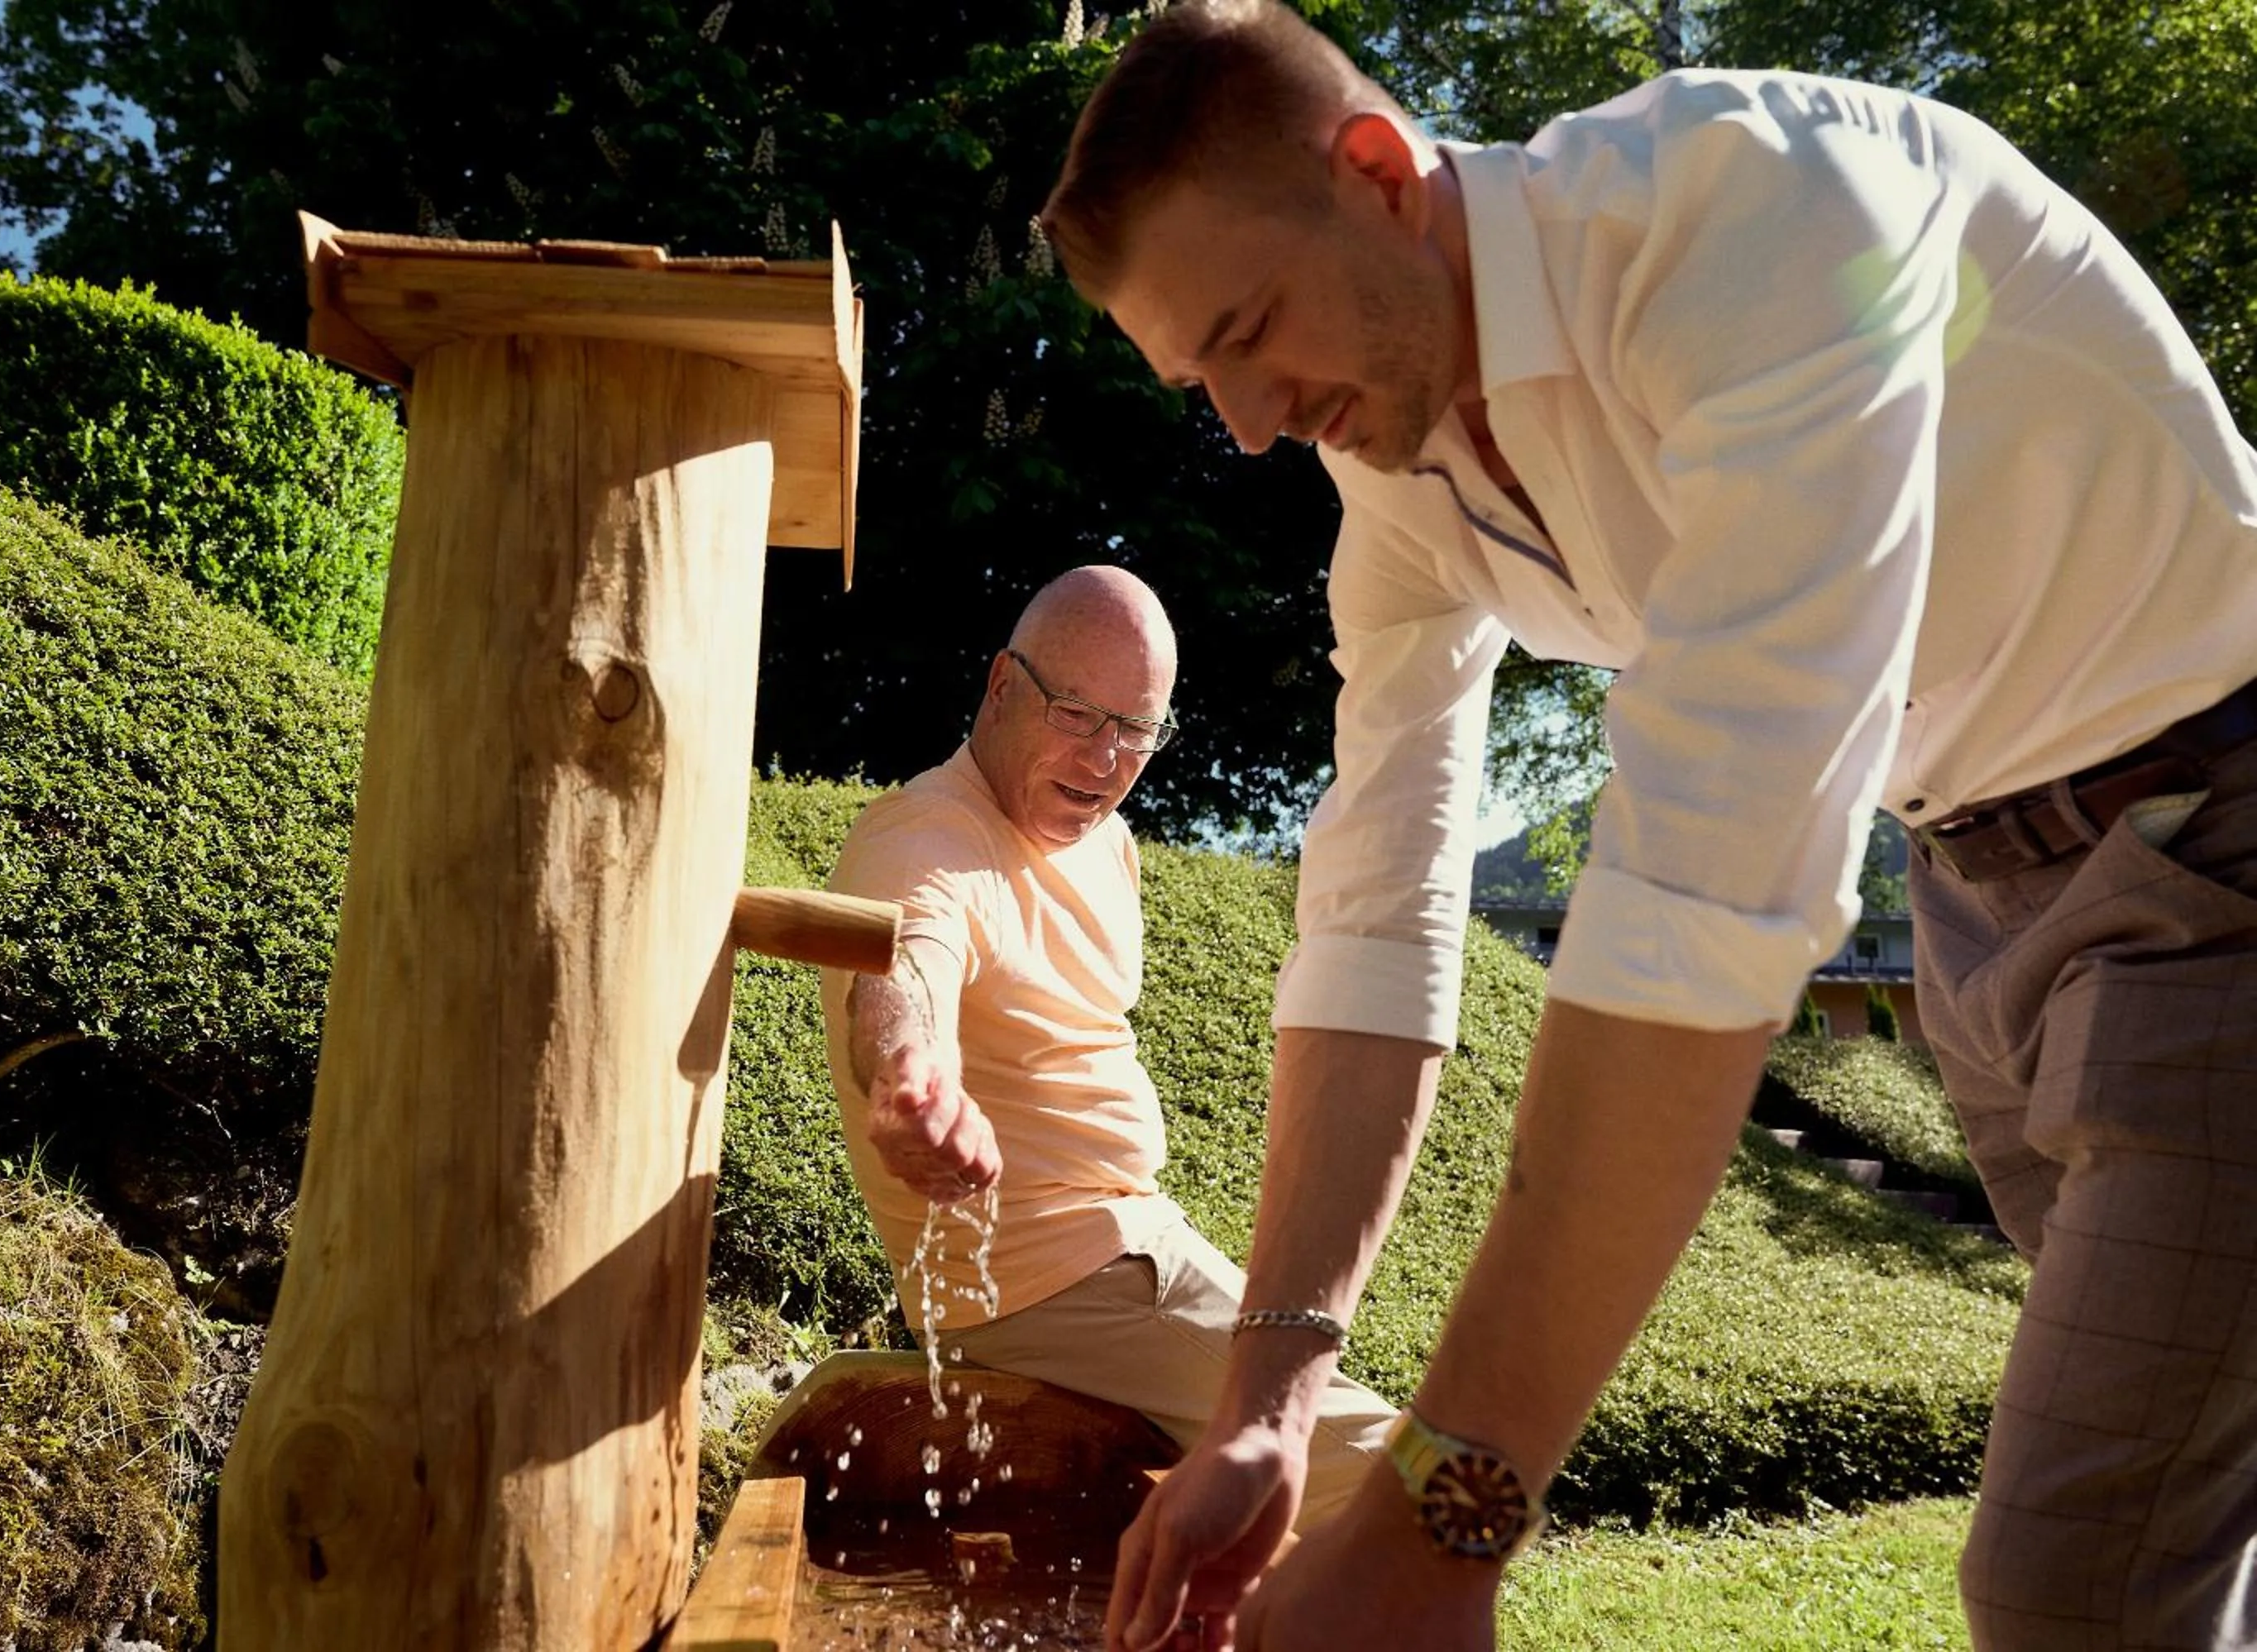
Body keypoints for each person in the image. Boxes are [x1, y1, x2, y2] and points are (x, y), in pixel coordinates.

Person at [1038, 6, 2257, 1650]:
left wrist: (1445, 1526)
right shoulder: (1402, 478)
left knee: (2076, 1592)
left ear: (1383, 174)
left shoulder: (1769, 219)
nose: (1250, 422)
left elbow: (1705, 882)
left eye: (1252, 329)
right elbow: (1377, 909)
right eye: (1206, 381)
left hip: (2220, 842)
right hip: (1975, 901)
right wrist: (1267, 1401)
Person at [819, 564, 1398, 1533]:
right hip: (1057, 1280)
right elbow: (904, 966)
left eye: (1138, 729)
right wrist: (912, 1080)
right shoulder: (925, 839)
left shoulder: (1109, 840)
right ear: (1002, 687)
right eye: (1079, 713)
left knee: (1300, 1527)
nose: (1106, 758)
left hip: (1137, 1250)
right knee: (1416, 1490)